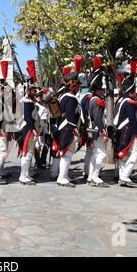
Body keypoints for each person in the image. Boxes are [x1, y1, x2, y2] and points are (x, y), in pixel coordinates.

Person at [56, 57, 83, 188]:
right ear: (72, 87)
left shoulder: (64, 97)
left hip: (64, 128)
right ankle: (62, 177)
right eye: (77, 86)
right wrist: (75, 130)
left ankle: (64, 175)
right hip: (68, 128)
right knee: (66, 154)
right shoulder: (71, 99)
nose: (79, 88)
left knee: (66, 154)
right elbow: (71, 117)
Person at [115, 71, 137, 188]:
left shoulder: (121, 100)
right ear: (131, 92)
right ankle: (125, 176)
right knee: (135, 154)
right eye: (135, 91)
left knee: (123, 155)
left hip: (121, 130)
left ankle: (122, 176)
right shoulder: (129, 103)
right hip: (128, 131)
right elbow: (132, 120)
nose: (136, 93)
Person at [86, 66, 109, 187]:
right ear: (98, 89)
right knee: (101, 154)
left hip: (93, 130)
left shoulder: (92, 99)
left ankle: (91, 176)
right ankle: (95, 176)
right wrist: (103, 132)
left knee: (95, 154)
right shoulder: (98, 100)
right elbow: (98, 118)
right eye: (102, 89)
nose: (104, 91)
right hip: (98, 130)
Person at [17, 78, 41, 185]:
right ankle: (23, 176)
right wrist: (33, 131)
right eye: (33, 90)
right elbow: (28, 119)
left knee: (28, 153)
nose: (35, 92)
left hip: (29, 130)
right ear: (27, 91)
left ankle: (26, 174)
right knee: (27, 153)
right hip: (28, 131)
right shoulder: (26, 102)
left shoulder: (28, 101)